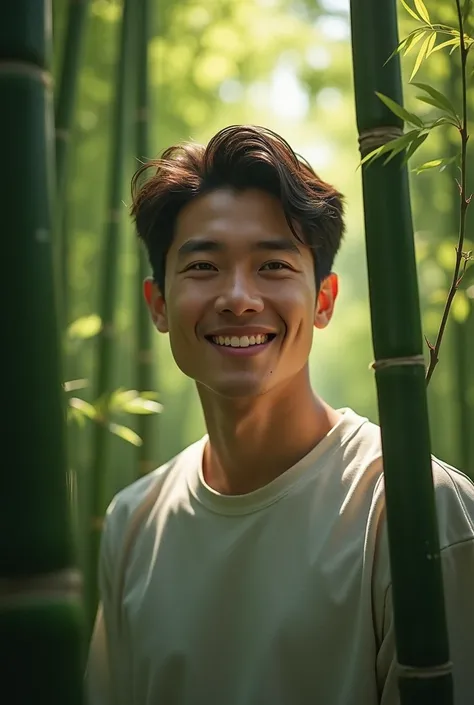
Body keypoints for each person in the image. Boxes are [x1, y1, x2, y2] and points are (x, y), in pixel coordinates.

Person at [86, 125, 474, 705]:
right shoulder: (134, 522)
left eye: (273, 266)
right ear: (159, 304)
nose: (238, 297)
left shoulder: (414, 512)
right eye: (202, 267)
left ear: (323, 300)